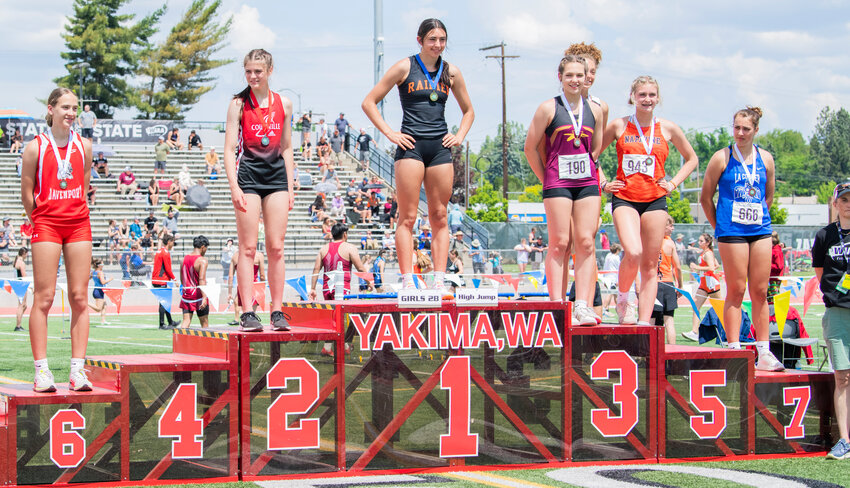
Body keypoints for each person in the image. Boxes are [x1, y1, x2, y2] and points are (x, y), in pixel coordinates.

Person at [362, 18, 474, 295]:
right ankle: (408, 279)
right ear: (420, 40)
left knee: (439, 215)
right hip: (410, 147)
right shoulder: (405, 66)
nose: (438, 45)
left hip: (439, 148)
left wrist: (459, 136)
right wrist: (390, 134)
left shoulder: (452, 72)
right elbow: (369, 102)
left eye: (442, 40)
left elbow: (469, 110)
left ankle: (438, 278)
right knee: (408, 217)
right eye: (432, 39)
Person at [599, 75, 697, 325]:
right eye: (642, 94)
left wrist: (673, 183)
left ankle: (644, 323)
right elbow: (592, 155)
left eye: (652, 95)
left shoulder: (668, 128)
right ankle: (623, 298)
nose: (647, 99)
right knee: (633, 252)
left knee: (651, 264)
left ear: (658, 98)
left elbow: (692, 159)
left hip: (655, 200)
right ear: (633, 97)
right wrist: (603, 183)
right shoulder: (619, 125)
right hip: (625, 198)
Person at [20, 87, 93, 392]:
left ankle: (78, 371)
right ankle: (42, 371)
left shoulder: (85, 146)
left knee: (79, 297)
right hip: (47, 224)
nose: (71, 113)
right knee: (45, 297)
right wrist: (39, 218)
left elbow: (84, 185)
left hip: (78, 224)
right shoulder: (34, 148)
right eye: (64, 107)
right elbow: (26, 193)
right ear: (50, 109)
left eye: (74, 108)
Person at [700, 106, 783, 371]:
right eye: (736, 127)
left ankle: (764, 351)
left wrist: (758, 218)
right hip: (730, 232)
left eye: (746, 129)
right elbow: (705, 198)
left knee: (760, 291)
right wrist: (721, 226)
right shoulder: (721, 158)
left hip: (759, 230)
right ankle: (734, 349)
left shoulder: (766, 159)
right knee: (736, 289)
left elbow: (767, 197)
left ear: (756, 130)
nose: (740, 133)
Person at [524, 54, 604, 324]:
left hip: (587, 183)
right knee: (559, 243)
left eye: (579, 75)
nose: (575, 80)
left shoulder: (597, 109)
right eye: (569, 75)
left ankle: (581, 304)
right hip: (558, 182)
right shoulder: (548, 108)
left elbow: (596, 148)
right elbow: (530, 148)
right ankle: (556, 305)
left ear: (587, 77)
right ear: (560, 77)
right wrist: (546, 176)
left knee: (585, 242)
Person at [224, 49, 294, 332]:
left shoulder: (285, 104)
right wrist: (234, 186)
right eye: (248, 71)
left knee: (276, 247)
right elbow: (229, 150)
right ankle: (248, 312)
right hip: (249, 176)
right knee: (248, 248)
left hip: (276, 176)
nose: (253, 76)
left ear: (270, 71)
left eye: (258, 71)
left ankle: (277, 311)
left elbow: (287, 147)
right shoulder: (238, 104)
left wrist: (290, 186)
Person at [812, 182, 850, 459]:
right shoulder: (824, 235)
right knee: (843, 377)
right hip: (837, 312)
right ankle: (845, 440)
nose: (848, 204)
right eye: (844, 199)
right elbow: (819, 272)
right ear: (835, 203)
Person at [681, 233, 721, 341]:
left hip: (711, 284)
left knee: (720, 308)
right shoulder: (705, 253)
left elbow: (712, 267)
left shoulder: (708, 254)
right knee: (695, 306)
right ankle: (694, 332)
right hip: (703, 284)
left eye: (701, 241)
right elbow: (716, 264)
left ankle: (728, 331)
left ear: (707, 243)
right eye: (699, 241)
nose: (699, 243)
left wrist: (697, 267)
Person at [652, 215, 683, 344]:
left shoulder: (650, 240)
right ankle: (672, 353)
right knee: (669, 320)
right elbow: (678, 267)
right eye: (670, 225)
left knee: (651, 321)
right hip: (667, 284)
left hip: (654, 284)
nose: (672, 228)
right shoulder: (670, 243)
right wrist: (680, 286)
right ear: (663, 226)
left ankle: (650, 352)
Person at [565, 42, 609, 130]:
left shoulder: (601, 107)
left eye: (592, 72)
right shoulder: (556, 104)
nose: (588, 76)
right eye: (585, 71)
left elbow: (600, 142)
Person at [180, 235, 210, 328]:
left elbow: (182, 278)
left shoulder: (183, 259)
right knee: (204, 323)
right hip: (198, 295)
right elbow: (201, 279)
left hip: (187, 294)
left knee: (186, 321)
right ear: (203, 247)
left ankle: (180, 341)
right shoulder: (202, 261)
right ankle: (206, 342)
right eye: (206, 249)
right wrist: (204, 297)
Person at [152, 234, 178, 329]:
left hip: (157, 279)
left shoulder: (159, 251)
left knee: (165, 301)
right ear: (169, 242)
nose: (173, 244)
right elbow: (167, 269)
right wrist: (175, 279)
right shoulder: (165, 253)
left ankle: (170, 322)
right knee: (163, 302)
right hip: (161, 280)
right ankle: (162, 324)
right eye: (172, 242)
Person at [87, 258, 111, 325]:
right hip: (98, 291)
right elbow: (103, 282)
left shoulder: (93, 272)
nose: (103, 265)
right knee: (98, 309)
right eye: (102, 264)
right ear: (99, 265)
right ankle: (86, 302)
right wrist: (110, 279)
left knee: (104, 305)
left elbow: (88, 278)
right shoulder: (100, 273)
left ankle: (103, 320)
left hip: (98, 290)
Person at [600, 243, 622, 317]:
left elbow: (605, 267)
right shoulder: (616, 258)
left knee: (615, 295)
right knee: (610, 293)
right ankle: (604, 308)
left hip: (607, 276)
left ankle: (619, 309)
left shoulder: (608, 256)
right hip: (613, 278)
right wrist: (618, 279)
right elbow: (619, 268)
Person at [13, 247, 29, 332]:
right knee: (21, 305)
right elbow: (23, 275)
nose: (27, 255)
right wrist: (30, 285)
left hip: (18, 284)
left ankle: (19, 323)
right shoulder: (21, 263)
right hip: (21, 284)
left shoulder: (16, 261)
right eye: (27, 254)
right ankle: (18, 326)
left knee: (24, 305)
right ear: (24, 253)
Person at [769, 231, 785, 302]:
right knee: (769, 297)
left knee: (774, 297)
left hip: (774, 278)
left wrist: (767, 266)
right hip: (770, 278)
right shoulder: (772, 249)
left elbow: (779, 266)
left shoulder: (776, 251)